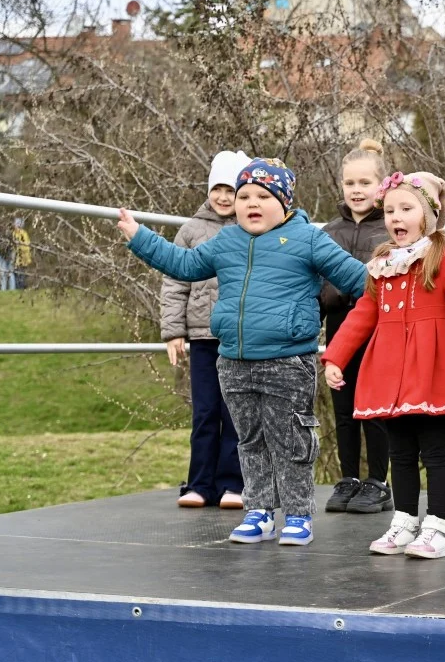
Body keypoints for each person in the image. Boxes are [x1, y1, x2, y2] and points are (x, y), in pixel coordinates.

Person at [117, 157, 367, 546]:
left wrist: (399, 283)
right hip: (234, 361)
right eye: (244, 196)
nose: (252, 203)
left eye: (263, 196)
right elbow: (184, 264)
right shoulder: (227, 240)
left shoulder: (308, 238)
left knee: (292, 441)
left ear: (283, 202)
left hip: (288, 361)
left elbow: (358, 279)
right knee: (249, 441)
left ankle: (298, 515)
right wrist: (139, 236)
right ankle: (260, 512)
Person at [322, 171, 445, 560]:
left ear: (427, 215)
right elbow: (362, 315)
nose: (396, 217)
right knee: (400, 452)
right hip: (391, 371)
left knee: (434, 450)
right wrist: (336, 356)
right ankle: (405, 520)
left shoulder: (441, 257)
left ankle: (437, 527)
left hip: (431, 368)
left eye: (406, 209)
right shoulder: (383, 264)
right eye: (390, 210)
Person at [164, 150, 251, 510]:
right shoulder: (190, 231)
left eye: (231, 190)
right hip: (201, 337)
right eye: (218, 189)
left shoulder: (250, 230)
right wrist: (173, 331)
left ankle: (232, 483)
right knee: (204, 412)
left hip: (238, 337)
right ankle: (199, 483)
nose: (223, 197)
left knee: (234, 413)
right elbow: (174, 282)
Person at [320, 139, 394, 515]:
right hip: (339, 326)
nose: (357, 190)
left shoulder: (391, 227)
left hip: (379, 329)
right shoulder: (328, 231)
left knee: (375, 408)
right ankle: (348, 478)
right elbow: (316, 285)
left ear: (381, 186)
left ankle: (378, 482)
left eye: (365, 182)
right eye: (350, 183)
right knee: (343, 408)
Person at [11, 217, 31, 289]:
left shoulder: (23, 233)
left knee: (21, 274)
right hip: (16, 257)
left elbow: (27, 245)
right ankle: (18, 288)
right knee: (16, 273)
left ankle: (21, 288)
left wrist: (19, 246)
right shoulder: (14, 233)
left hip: (23, 257)